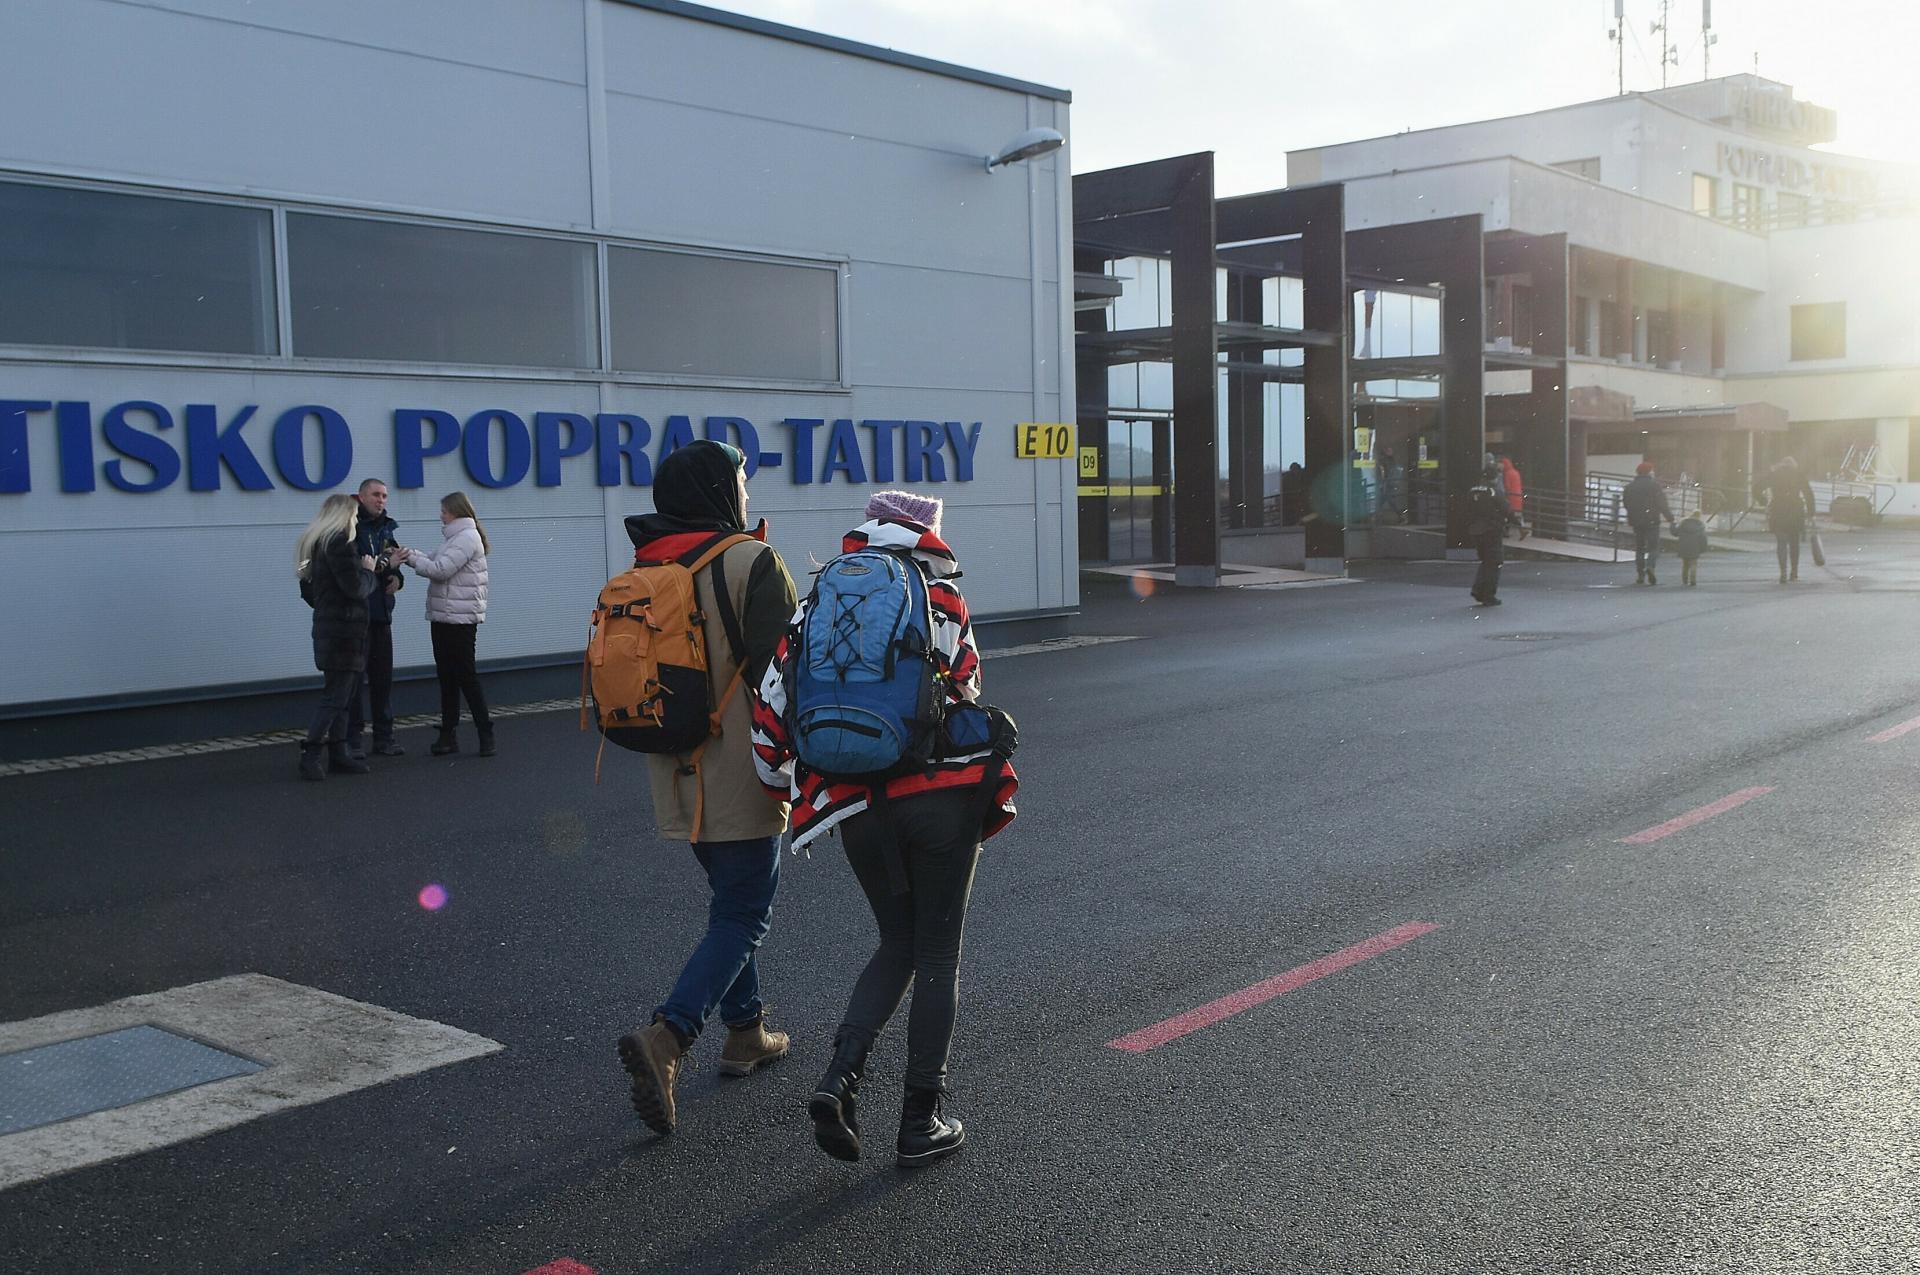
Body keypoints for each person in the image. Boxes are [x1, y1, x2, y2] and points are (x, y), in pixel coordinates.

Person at [753, 490, 1019, 1168]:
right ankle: (919, 1119)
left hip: (854, 807)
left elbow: (770, 716)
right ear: (926, 535)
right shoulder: (942, 600)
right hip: (940, 803)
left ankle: (839, 1077)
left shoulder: (813, 605)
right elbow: (965, 693)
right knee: (935, 954)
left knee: (894, 940)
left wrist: (781, 787)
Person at [615, 441, 799, 1137]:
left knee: (730, 900)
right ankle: (670, 1036)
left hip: (673, 765)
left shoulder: (650, 561)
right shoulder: (751, 562)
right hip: (742, 764)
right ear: (722, 488)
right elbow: (785, 676)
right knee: (747, 911)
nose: (747, 492)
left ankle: (746, 1031)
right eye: (742, 480)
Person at [402, 491, 493, 756]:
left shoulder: (466, 538)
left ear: (454, 511)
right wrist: (410, 554)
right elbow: (433, 560)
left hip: (459, 619)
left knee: (465, 676)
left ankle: (485, 732)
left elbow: (440, 570)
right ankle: (448, 734)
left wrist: (412, 559)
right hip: (445, 616)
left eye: (443, 510)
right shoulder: (456, 538)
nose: (440, 515)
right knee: (448, 677)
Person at [294, 494, 376, 782]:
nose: (356, 521)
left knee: (344, 694)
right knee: (337, 696)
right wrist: (370, 572)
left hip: (332, 630)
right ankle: (312, 753)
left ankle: (338, 752)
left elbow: (309, 592)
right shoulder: (339, 543)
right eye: (354, 515)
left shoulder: (315, 543)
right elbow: (355, 588)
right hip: (345, 633)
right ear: (344, 516)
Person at [346, 478, 406, 760]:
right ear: (361, 497)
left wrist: (397, 577)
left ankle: (384, 737)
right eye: (375, 495)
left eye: (384, 496)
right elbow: (359, 568)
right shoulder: (349, 529)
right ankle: (353, 740)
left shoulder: (386, 529)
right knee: (355, 683)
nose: (381, 500)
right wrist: (386, 567)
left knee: (383, 681)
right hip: (357, 616)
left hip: (381, 614)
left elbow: (389, 564)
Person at [1467, 464, 1519, 607]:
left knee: (1485, 561)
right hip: (1491, 530)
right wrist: (1518, 524)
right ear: (1494, 477)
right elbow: (1506, 510)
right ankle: (1488, 594)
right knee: (1494, 562)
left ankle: (1478, 590)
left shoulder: (1473, 491)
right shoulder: (1493, 492)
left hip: (1476, 530)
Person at [1759, 457, 1817, 584]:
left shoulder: (1774, 475)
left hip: (1778, 510)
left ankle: (1783, 572)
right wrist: (1811, 513)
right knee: (1794, 542)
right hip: (1795, 510)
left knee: (1781, 543)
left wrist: (1763, 501)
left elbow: (1756, 488)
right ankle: (1794, 572)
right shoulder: (1798, 475)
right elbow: (1808, 494)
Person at [1622, 461, 1676, 585]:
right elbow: (1662, 504)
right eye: (1652, 470)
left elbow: (1626, 503)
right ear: (1649, 472)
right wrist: (1670, 518)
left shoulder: (1630, 487)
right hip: (1652, 520)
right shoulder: (1655, 486)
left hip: (1636, 521)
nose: (1653, 472)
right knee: (1653, 547)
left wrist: (1634, 514)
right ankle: (1650, 566)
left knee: (1640, 548)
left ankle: (1640, 574)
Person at [1675, 508, 1709, 587]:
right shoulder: (1700, 525)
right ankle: (1693, 580)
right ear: (1699, 516)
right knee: (1693, 564)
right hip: (1695, 547)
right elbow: (1703, 538)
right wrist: (1703, 548)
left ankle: (1684, 581)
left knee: (1685, 565)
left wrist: (1673, 524)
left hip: (1683, 546)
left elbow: (1675, 533)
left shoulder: (1683, 522)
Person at [1500, 455, 1525, 526]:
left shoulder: (1507, 473)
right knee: (1518, 513)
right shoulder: (1516, 472)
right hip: (1518, 495)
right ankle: (1522, 527)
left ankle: (1507, 528)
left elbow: (1507, 486)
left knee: (1508, 512)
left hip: (1511, 495)